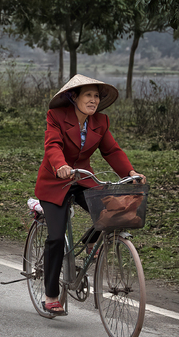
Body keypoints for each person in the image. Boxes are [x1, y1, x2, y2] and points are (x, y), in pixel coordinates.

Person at [34, 74, 146, 314]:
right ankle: (51, 295)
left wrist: (130, 171)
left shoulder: (100, 122)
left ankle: (89, 243)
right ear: (74, 97)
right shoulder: (56, 117)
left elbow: (112, 150)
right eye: (88, 95)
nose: (93, 100)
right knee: (55, 236)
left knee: (113, 209)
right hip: (55, 181)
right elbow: (52, 145)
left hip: (84, 178)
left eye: (97, 96)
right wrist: (60, 165)